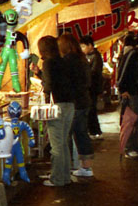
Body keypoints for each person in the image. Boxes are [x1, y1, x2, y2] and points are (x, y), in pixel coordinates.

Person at [38, 35, 77, 186]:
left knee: (57, 145)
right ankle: (65, 176)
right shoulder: (64, 61)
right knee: (63, 143)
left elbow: (49, 86)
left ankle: (58, 179)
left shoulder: (48, 63)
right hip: (69, 105)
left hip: (57, 107)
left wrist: (44, 86)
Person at [59, 33, 95, 178]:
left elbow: (63, 82)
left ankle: (72, 167)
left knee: (72, 134)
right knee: (81, 133)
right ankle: (86, 166)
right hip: (84, 100)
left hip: (74, 102)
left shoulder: (68, 61)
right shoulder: (82, 59)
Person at [117, 34, 138, 158]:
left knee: (135, 121)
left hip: (135, 93)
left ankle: (135, 147)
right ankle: (129, 148)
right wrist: (122, 89)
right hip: (130, 93)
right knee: (131, 121)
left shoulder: (137, 56)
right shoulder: (132, 55)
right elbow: (123, 72)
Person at [80, 35, 104, 139]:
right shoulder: (86, 56)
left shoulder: (96, 56)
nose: (82, 49)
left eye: (83, 46)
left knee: (91, 110)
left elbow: (94, 72)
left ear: (90, 45)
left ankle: (95, 132)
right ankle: (93, 131)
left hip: (93, 87)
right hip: (88, 87)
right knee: (90, 110)